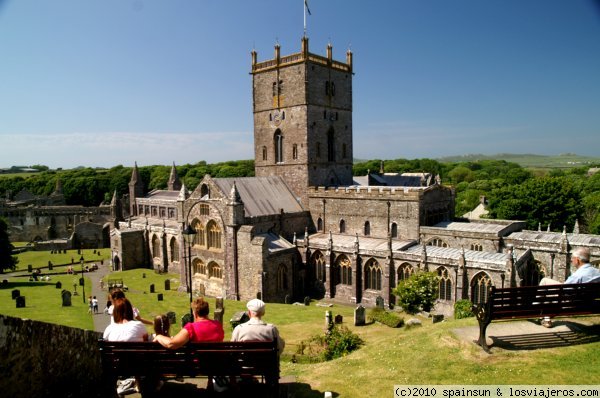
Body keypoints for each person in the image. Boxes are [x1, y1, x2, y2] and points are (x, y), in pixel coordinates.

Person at [538, 247, 599, 327]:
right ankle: (545, 317)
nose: (571, 260)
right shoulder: (598, 273)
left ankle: (536, 306)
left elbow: (564, 289)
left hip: (571, 304)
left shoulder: (578, 275)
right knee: (549, 289)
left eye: (572, 258)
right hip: (588, 303)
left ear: (577, 260)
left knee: (545, 282)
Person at [103, 298, 149, 395]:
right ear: (129, 311)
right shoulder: (139, 325)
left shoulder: (109, 329)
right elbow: (145, 345)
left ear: (115, 312)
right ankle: (140, 383)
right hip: (138, 364)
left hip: (117, 366)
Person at [154, 297, 224, 349]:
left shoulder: (191, 328)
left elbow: (171, 344)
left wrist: (159, 336)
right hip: (217, 365)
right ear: (207, 312)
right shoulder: (218, 325)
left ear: (195, 313)